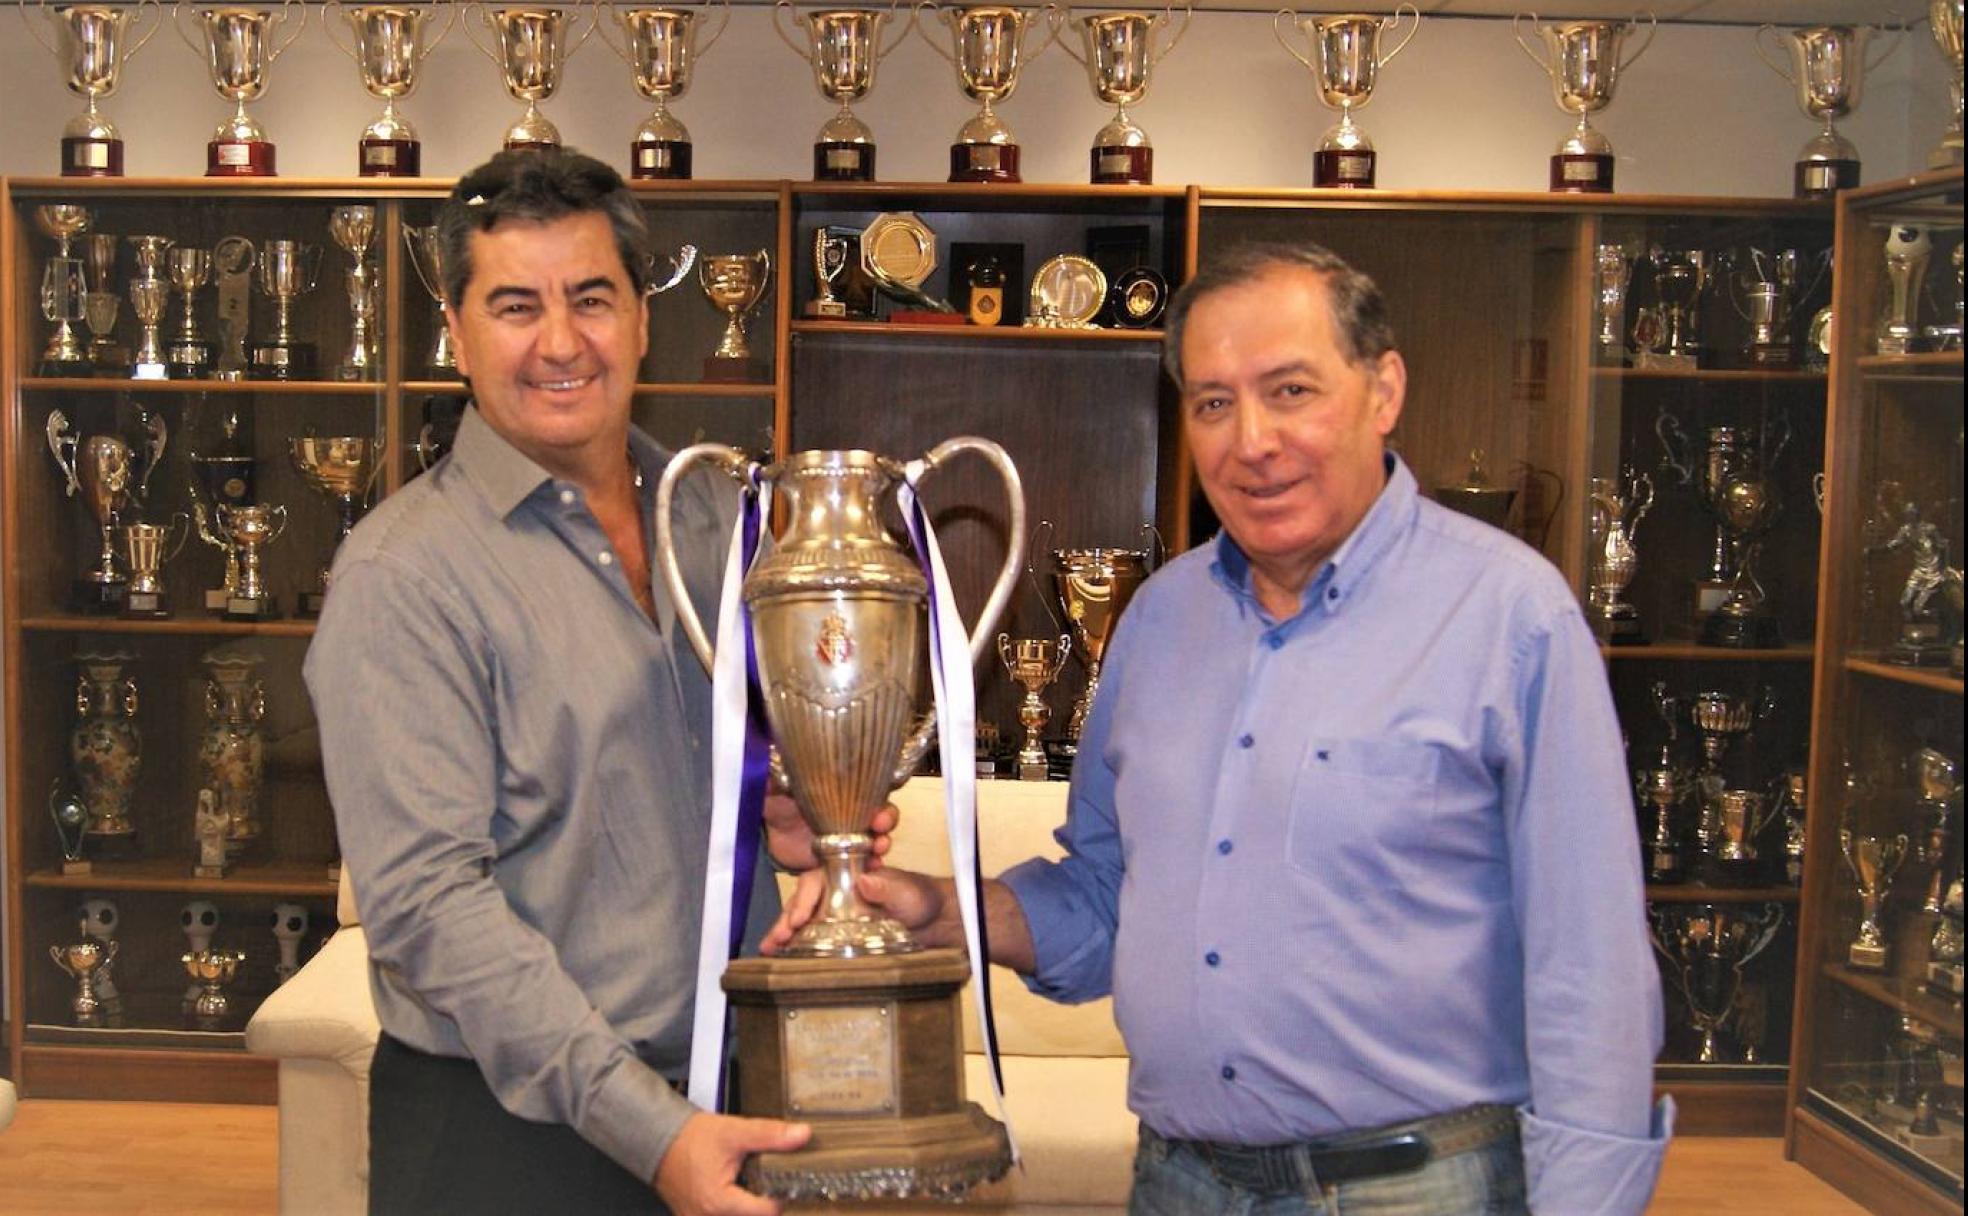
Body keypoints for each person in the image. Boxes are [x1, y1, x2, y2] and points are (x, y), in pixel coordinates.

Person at [769, 241, 1673, 1214]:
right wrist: (934, 910)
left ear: (1384, 391)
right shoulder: (1157, 622)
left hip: (1416, 1190)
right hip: (1180, 1183)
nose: (1251, 441)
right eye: (1212, 402)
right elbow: (1109, 898)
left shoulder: (1510, 616)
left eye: (1290, 391)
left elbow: (1592, 974)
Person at [308, 148, 888, 1216]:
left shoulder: (726, 520)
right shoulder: (403, 576)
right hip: (509, 1139)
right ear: (457, 327)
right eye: (517, 305)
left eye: (592, 298)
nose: (562, 342)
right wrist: (653, 1132)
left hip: (738, 1099)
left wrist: (804, 812)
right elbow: (430, 910)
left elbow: (735, 778)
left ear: (642, 315)